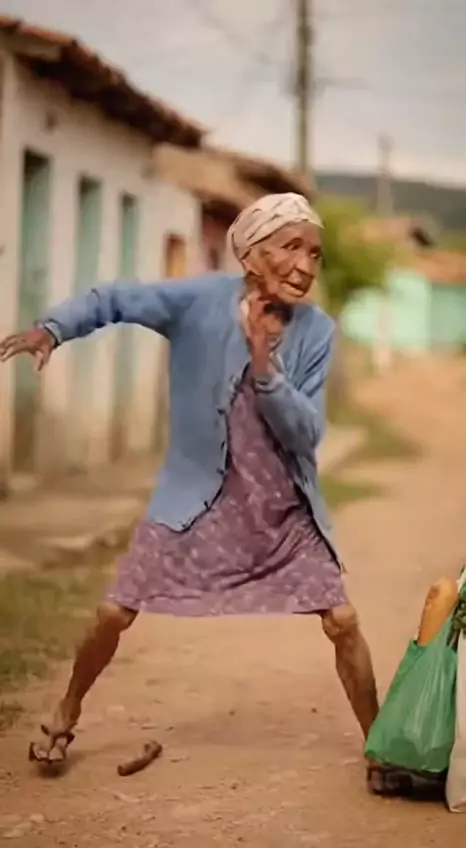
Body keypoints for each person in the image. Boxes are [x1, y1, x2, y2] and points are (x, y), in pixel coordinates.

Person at [0, 192, 378, 769]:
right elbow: (115, 300)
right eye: (291, 247)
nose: (305, 265)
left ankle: (380, 746)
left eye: (314, 254)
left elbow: (306, 435)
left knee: (343, 621)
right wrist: (53, 328)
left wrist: (266, 370)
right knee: (114, 612)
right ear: (251, 254)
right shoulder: (198, 301)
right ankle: (64, 712)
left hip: (280, 511)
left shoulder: (316, 331)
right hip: (196, 503)